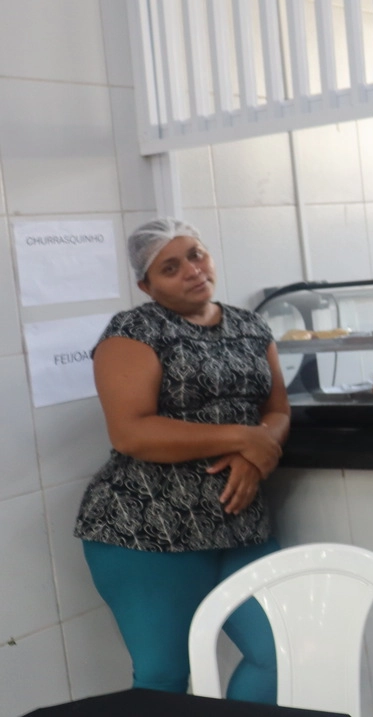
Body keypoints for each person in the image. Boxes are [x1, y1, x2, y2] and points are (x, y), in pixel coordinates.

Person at [75, 218, 289, 702]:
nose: (192, 270)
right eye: (170, 267)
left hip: (240, 523)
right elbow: (132, 432)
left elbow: (276, 409)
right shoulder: (132, 331)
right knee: (164, 677)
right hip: (148, 528)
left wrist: (256, 456)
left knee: (279, 652)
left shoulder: (251, 325)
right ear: (146, 285)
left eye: (196, 254)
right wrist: (242, 437)